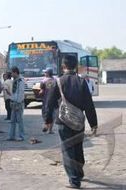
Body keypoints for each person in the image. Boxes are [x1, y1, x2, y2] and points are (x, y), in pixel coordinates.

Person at [45, 55, 98, 189]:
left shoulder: (58, 81)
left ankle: (74, 181)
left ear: (63, 66)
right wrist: (94, 124)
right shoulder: (82, 82)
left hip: (63, 122)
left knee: (68, 150)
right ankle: (79, 173)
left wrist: (48, 120)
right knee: (78, 148)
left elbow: (49, 103)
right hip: (79, 122)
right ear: (75, 66)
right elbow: (89, 105)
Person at [7, 66, 25, 141]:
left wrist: (17, 102)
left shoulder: (20, 81)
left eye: (12, 73)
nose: (11, 75)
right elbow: (13, 93)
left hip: (18, 103)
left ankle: (21, 136)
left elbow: (20, 93)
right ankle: (11, 136)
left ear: (15, 72)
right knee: (12, 121)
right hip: (14, 103)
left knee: (19, 121)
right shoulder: (15, 80)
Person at [40, 68, 56, 134]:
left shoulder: (43, 81)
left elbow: (42, 91)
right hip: (54, 100)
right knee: (53, 114)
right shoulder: (55, 80)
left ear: (48, 73)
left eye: (45, 72)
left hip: (46, 99)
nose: (44, 74)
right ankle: (50, 130)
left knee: (46, 113)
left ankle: (46, 125)